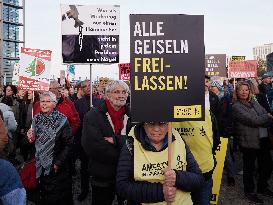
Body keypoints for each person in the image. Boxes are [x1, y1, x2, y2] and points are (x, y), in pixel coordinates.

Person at [116, 122, 204, 205]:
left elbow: (198, 179)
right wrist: (161, 192)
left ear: (169, 123)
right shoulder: (131, 143)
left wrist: (178, 177)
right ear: (143, 124)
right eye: (150, 123)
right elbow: (122, 186)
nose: (156, 129)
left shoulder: (178, 139)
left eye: (162, 123)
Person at [81, 80, 131, 205]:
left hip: (128, 175)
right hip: (102, 175)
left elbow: (139, 141)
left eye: (124, 92)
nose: (121, 95)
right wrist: (124, 156)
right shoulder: (92, 116)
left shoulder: (133, 116)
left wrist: (116, 140)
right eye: (117, 92)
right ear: (107, 95)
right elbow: (93, 147)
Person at [172, 75, 220, 205]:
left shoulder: (168, 113)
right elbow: (216, 140)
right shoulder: (207, 113)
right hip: (185, 171)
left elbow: (216, 139)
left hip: (192, 170)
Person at [27, 91, 73, 205]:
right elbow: (30, 143)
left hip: (56, 167)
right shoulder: (36, 119)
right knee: (42, 196)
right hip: (39, 166)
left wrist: (58, 162)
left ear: (54, 103)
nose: (44, 104)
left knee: (57, 197)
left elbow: (69, 144)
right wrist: (29, 138)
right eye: (42, 101)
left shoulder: (62, 120)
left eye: (48, 101)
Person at [232, 81, 273, 204]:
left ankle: (262, 187)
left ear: (249, 91)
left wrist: (265, 117)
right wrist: (267, 117)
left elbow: (263, 113)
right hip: (248, 141)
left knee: (267, 165)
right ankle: (249, 192)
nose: (244, 92)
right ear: (237, 92)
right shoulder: (236, 106)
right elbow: (254, 120)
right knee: (249, 168)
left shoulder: (253, 102)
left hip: (263, 139)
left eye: (246, 90)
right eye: (241, 90)